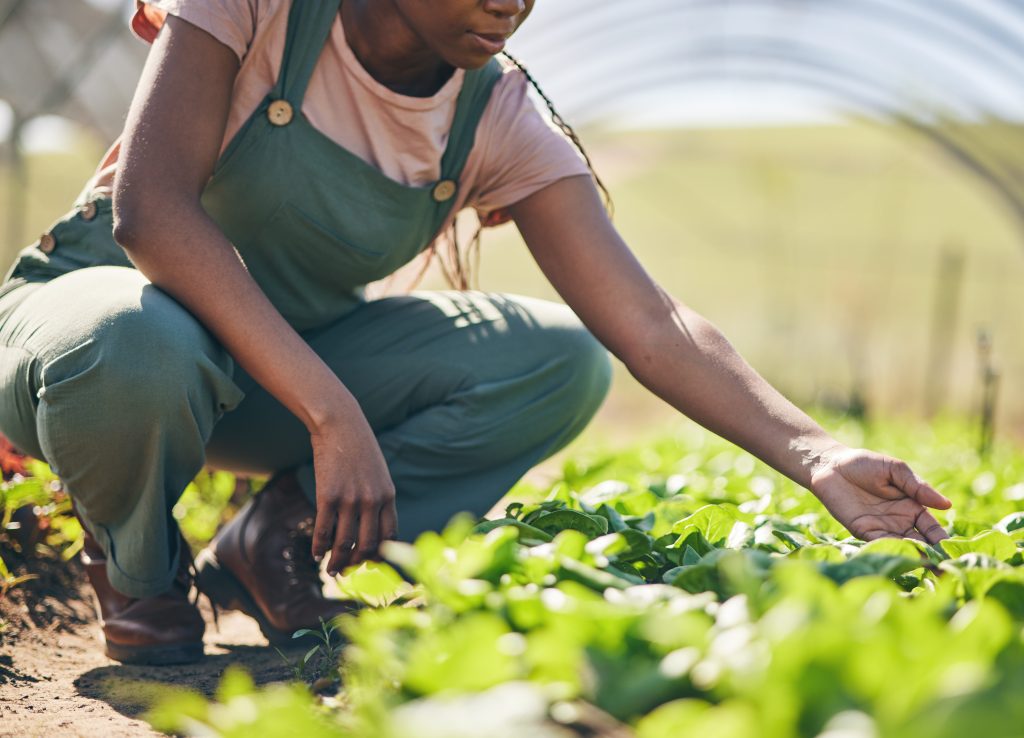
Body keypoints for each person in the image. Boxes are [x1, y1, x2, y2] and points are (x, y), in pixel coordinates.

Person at [0, 0, 951, 666]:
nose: (512, 2)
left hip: (266, 378)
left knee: (556, 359)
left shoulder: (494, 110)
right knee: (138, 336)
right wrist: (333, 413)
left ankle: (273, 538)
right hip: (93, 339)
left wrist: (817, 453)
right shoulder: (261, 7)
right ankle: (137, 573)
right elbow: (153, 215)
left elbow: (651, 323)